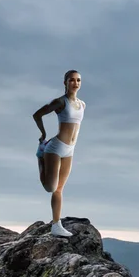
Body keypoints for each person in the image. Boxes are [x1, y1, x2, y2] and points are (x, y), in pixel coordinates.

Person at [32, 69, 85, 237]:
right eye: (72, 80)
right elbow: (37, 115)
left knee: (59, 189)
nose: (75, 83)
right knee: (50, 187)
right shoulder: (60, 102)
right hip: (55, 148)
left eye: (78, 80)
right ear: (65, 82)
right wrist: (43, 134)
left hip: (70, 150)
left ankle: (56, 225)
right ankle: (40, 156)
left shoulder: (82, 105)